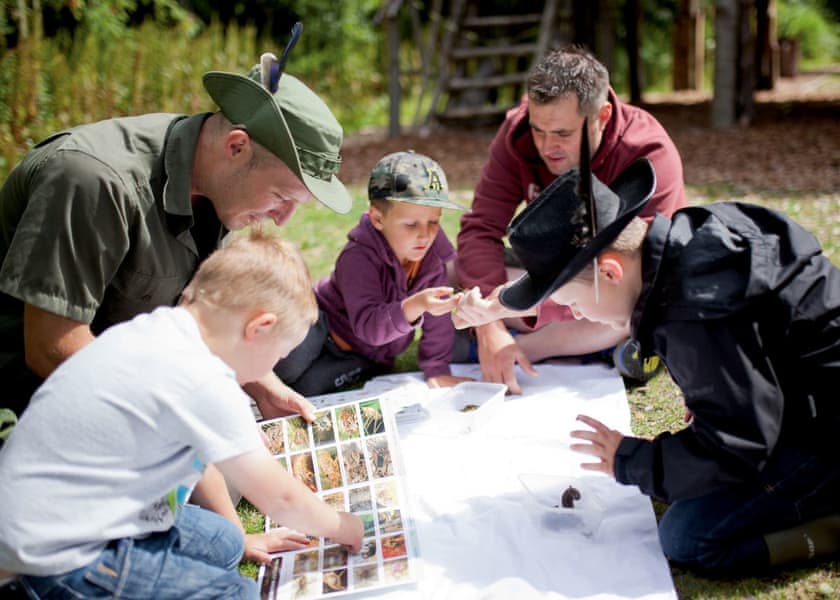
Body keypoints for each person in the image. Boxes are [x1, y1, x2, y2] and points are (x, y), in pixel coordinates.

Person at [487, 140, 840, 577]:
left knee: (687, 538)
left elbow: (740, 442)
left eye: (573, 303)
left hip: (824, 434)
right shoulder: (684, 248)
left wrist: (629, 460)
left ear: (611, 272)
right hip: (799, 400)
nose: (575, 315)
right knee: (682, 485)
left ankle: (828, 522)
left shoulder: (694, 309)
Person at [0, 229, 364, 598]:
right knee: (238, 593)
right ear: (260, 327)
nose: (271, 367)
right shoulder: (204, 380)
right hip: (62, 558)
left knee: (225, 542)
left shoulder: (154, 332)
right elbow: (281, 499)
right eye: (279, 354)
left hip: (39, 520)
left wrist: (240, 535)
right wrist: (342, 526)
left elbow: (198, 459)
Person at [0, 49, 351, 424]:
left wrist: (267, 389)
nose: (282, 220)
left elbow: (216, 316)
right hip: (28, 407)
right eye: (281, 197)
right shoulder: (94, 180)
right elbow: (50, 346)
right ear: (236, 147)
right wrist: (169, 418)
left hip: (119, 391)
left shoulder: (221, 190)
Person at [453, 45, 687, 394]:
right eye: (539, 131)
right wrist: (490, 325)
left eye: (563, 134)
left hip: (611, 285)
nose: (548, 147)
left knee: (628, 311)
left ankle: (526, 350)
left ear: (603, 116)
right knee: (453, 269)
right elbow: (480, 229)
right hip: (554, 280)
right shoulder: (515, 135)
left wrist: (507, 316)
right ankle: (527, 344)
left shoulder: (648, 153)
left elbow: (649, 275)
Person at [274, 151, 474, 395]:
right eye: (411, 224)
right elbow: (368, 325)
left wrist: (437, 368)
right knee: (287, 367)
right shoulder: (357, 258)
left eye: (433, 221)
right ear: (378, 218)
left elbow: (438, 321)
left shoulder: (432, 258)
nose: (425, 235)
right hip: (320, 325)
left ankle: (359, 366)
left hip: (366, 352)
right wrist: (416, 305)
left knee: (309, 387)